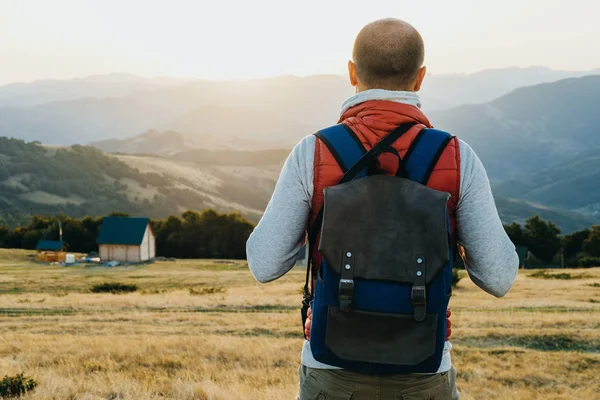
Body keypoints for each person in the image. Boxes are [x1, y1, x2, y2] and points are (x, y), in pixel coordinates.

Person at [246, 18, 519, 400]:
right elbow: (499, 276)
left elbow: (264, 263)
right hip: (424, 372)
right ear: (420, 78)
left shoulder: (313, 152)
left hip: (331, 372)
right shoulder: (457, 157)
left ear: (352, 72)